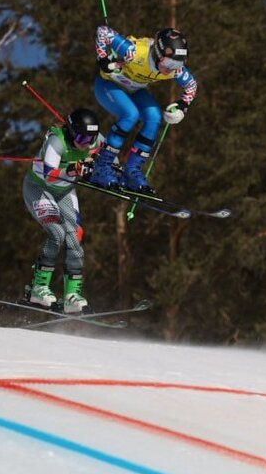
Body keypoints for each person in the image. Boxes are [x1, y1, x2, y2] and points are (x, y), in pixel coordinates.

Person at [87, 25, 197, 196]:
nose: (171, 68)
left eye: (178, 63)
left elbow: (191, 85)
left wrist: (182, 106)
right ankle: (101, 168)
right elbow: (103, 32)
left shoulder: (175, 69)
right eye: (169, 62)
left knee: (154, 117)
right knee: (131, 115)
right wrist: (102, 60)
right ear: (159, 53)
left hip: (135, 88)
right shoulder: (134, 52)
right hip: (109, 85)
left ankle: (131, 171)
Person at [22, 108, 103, 314]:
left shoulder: (95, 141)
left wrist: (111, 174)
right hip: (39, 188)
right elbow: (50, 175)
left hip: (65, 191)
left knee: (75, 238)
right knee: (56, 233)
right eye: (81, 137)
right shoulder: (56, 142)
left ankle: (71, 296)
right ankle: (38, 288)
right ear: (71, 131)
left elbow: (110, 160)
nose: (85, 143)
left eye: (90, 138)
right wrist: (76, 169)